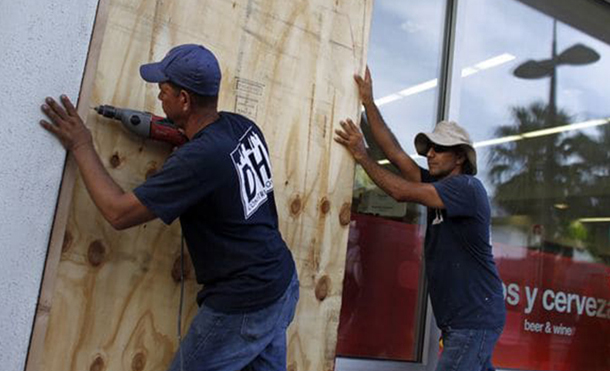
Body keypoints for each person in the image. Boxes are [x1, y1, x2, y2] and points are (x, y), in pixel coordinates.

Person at [40, 44, 299, 371]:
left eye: (163, 92)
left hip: (244, 304)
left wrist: (81, 144)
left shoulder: (198, 160)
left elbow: (118, 212)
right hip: (280, 281)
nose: (159, 99)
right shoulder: (242, 126)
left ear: (185, 100)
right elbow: (218, 164)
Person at [334, 67, 505, 371]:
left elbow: (401, 192)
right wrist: (369, 103)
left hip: (473, 321)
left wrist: (362, 156)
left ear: (460, 157)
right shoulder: (439, 186)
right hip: (461, 323)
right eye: (429, 148)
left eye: (440, 149)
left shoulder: (466, 189)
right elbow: (396, 154)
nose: (431, 154)